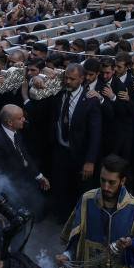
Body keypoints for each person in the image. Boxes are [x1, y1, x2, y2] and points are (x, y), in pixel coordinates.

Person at [56, 154, 134, 268]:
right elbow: (76, 238)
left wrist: (131, 244)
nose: (106, 187)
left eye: (112, 182)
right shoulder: (86, 201)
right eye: (103, 180)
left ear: (122, 181)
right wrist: (67, 255)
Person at [45, 63, 101, 222]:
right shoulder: (60, 93)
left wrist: (90, 161)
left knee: (80, 189)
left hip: (80, 154)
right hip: (61, 150)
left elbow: (95, 134)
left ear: (82, 79)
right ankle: (63, 217)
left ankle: (80, 221)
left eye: (72, 79)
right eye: (66, 78)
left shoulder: (90, 100)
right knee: (61, 185)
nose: (68, 81)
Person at [0, 104, 49, 216]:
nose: (24, 120)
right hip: (11, 188)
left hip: (22, 182)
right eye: (20, 118)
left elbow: (25, 156)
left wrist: (39, 176)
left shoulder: (15, 132)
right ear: (10, 122)